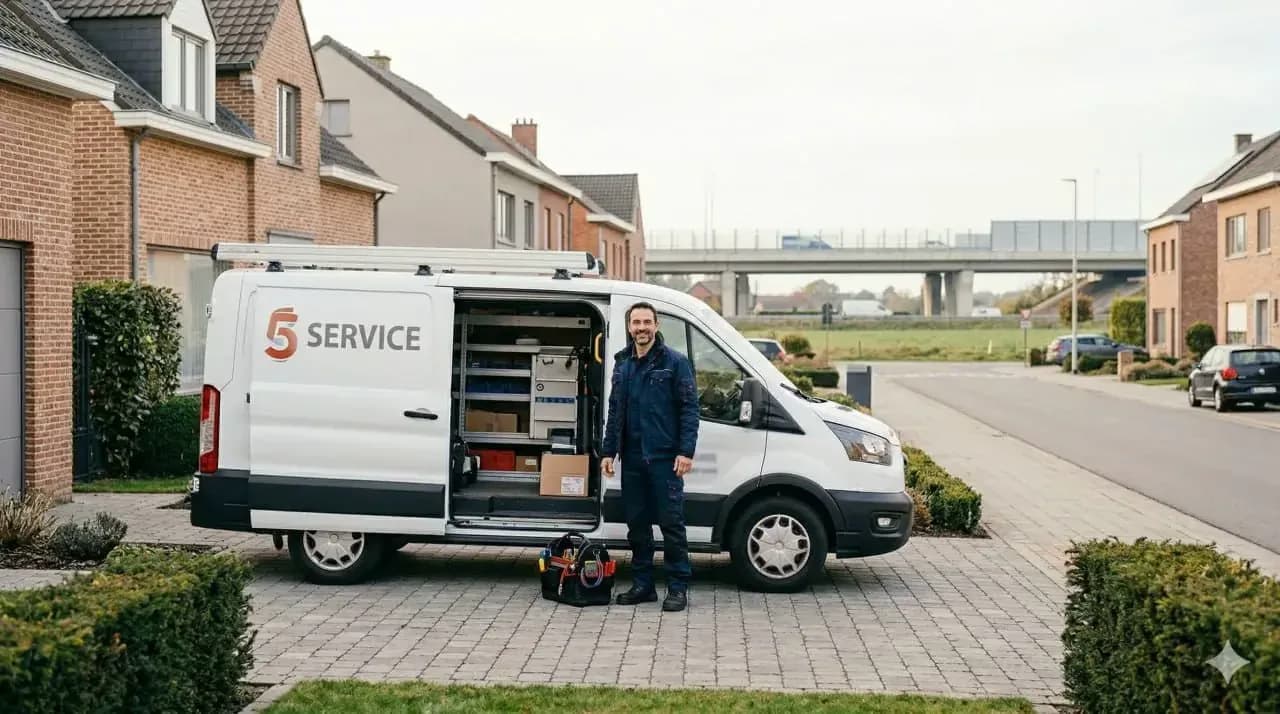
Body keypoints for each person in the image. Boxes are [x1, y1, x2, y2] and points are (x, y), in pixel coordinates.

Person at [601, 301, 699, 612]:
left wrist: (686, 451)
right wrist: (608, 451)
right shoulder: (623, 364)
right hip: (632, 459)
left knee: (672, 525)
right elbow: (615, 411)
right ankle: (643, 586)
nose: (641, 328)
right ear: (629, 327)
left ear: (656, 325)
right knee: (637, 526)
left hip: (664, 459)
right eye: (636, 323)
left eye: (646, 322)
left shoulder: (675, 363)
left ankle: (677, 587)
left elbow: (689, 409)